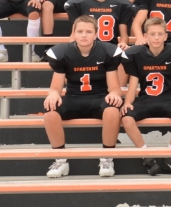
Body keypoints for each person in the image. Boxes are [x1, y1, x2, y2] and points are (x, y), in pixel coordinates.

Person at [42, 16, 123, 179]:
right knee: (50, 111)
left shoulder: (107, 51)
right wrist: (53, 93)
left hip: (99, 97)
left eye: (88, 31)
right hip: (74, 97)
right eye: (80, 31)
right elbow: (56, 86)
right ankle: (60, 159)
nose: (84, 35)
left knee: (113, 111)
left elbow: (114, 87)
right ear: (74, 33)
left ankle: (107, 157)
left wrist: (114, 93)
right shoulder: (63, 52)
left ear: (96, 34)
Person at [120, 17, 171, 176]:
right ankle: (147, 157)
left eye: (160, 34)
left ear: (166, 36)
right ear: (145, 36)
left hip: (169, 98)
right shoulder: (137, 54)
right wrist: (127, 102)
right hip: (146, 99)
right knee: (126, 117)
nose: (156, 38)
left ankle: (170, 156)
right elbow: (133, 84)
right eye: (152, 34)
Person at [64, 0, 135, 49]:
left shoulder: (121, 3)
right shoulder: (79, 2)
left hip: (110, 48)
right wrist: (70, 49)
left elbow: (124, 36)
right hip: (87, 47)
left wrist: (123, 43)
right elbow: (74, 33)